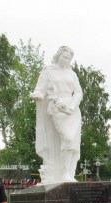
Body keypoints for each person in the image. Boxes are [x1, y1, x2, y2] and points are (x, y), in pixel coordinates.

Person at [31, 45, 83, 183]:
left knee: (72, 141)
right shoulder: (48, 72)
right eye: (64, 57)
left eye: (69, 58)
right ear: (58, 55)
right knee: (68, 138)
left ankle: (68, 173)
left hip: (72, 110)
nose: (66, 60)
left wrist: (71, 106)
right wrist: (38, 95)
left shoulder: (72, 74)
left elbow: (78, 92)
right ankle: (64, 173)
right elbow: (40, 89)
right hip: (56, 108)